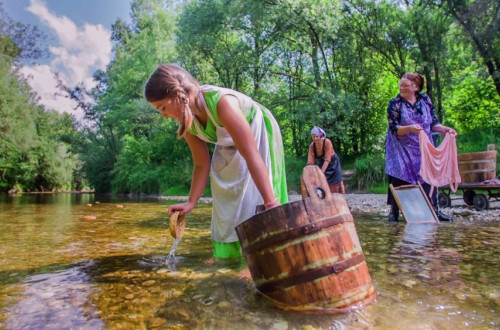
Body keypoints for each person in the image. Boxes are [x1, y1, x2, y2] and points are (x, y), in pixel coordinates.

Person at [144, 64, 288, 259]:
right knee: (222, 187)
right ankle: (230, 255)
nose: (163, 114)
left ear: (178, 95)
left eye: (162, 107)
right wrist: (191, 202)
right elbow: (201, 165)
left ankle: (260, 254)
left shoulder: (222, 103)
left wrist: (271, 204)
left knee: (252, 194)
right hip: (227, 140)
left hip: (256, 130)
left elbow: (251, 154)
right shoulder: (188, 122)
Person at [385, 72, 455, 222]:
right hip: (400, 145)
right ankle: (394, 211)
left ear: (415, 87)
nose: (401, 88)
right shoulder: (394, 103)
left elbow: (433, 123)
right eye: (400, 85)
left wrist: (444, 129)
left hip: (423, 145)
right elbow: (394, 129)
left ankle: (434, 210)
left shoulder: (425, 99)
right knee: (399, 174)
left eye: (405, 85)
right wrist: (409, 128)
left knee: (429, 175)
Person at [307, 126, 345, 194]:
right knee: (320, 182)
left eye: (316, 136)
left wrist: (321, 172)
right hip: (322, 163)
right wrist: (310, 173)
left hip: (333, 163)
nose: (315, 138)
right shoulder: (312, 146)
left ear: (321, 136)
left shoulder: (327, 142)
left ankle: (339, 198)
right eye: (313, 137)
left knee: (337, 181)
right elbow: (310, 162)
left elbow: (327, 159)